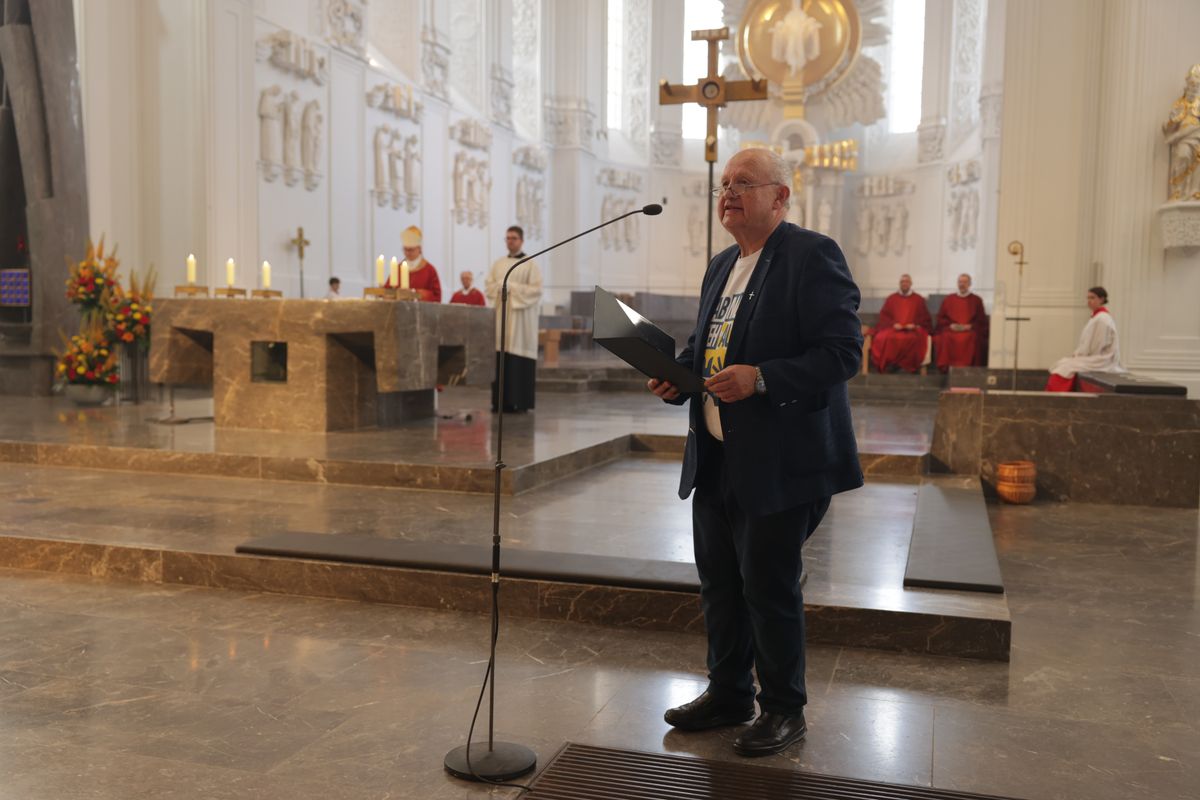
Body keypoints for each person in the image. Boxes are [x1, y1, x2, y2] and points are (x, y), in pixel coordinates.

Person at [647, 148, 863, 758]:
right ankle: (729, 692)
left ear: (781, 196)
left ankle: (784, 709)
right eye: (724, 185)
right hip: (717, 455)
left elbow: (843, 353)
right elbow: (706, 352)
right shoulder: (722, 265)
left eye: (745, 183)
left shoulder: (810, 255)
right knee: (718, 581)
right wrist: (675, 377)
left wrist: (762, 378)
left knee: (768, 586)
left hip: (781, 458)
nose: (730, 193)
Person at [485, 225, 542, 412]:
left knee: (518, 361)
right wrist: (502, 288)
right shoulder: (498, 264)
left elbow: (536, 291)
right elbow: (489, 287)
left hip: (520, 321)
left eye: (514, 238)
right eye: (507, 238)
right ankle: (500, 403)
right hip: (502, 318)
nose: (510, 241)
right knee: (501, 358)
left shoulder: (530, 264)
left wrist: (512, 288)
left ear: (522, 240)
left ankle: (520, 402)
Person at [1045, 286, 1124, 392]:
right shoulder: (1096, 317)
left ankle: (1057, 398)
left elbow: (1097, 346)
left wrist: (1079, 355)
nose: (1089, 301)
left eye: (1092, 298)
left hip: (1101, 359)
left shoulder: (1102, 319)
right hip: (1094, 356)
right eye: (1088, 298)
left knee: (1064, 368)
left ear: (1101, 299)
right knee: (1062, 363)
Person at [869, 274, 932, 373]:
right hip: (894, 329)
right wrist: (893, 324)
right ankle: (891, 365)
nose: (904, 284)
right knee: (883, 338)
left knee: (914, 339)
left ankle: (907, 367)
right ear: (900, 284)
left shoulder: (918, 299)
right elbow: (884, 317)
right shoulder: (891, 298)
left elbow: (924, 318)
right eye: (902, 282)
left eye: (907, 281)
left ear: (911, 283)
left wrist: (914, 325)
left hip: (911, 331)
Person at [933, 273, 989, 371]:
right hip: (952, 330)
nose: (962, 284)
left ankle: (969, 369)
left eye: (965, 282)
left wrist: (970, 326)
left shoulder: (976, 300)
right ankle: (947, 368)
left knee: (973, 337)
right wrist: (950, 325)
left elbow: (981, 320)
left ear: (969, 284)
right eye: (960, 282)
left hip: (969, 331)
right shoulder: (948, 299)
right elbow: (941, 318)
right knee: (945, 337)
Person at [386, 226, 442, 302]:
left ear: (419, 249)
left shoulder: (429, 270)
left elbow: (437, 296)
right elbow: (387, 291)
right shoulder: (397, 269)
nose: (407, 253)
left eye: (411, 250)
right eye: (405, 249)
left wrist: (416, 293)